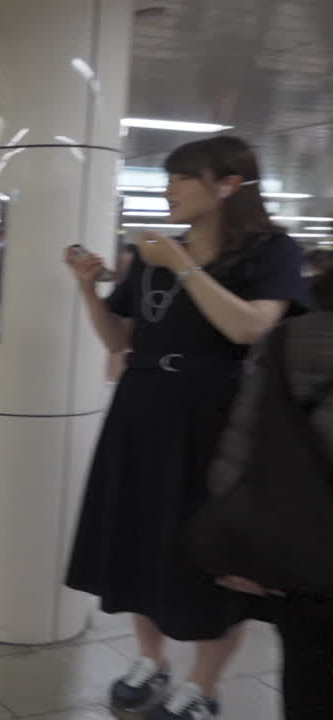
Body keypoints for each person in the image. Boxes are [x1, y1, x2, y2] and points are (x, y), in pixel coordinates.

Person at [64, 136, 304, 720]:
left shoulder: (269, 252)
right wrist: (87, 290)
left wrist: (185, 266)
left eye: (180, 178)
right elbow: (120, 341)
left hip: (217, 420)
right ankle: (152, 659)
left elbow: (250, 328)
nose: (168, 189)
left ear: (227, 185)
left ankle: (204, 684)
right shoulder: (154, 256)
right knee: (140, 536)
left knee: (210, 553)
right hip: (142, 410)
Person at [205, 266, 333, 720]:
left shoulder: (291, 339)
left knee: (310, 685)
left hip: (308, 563)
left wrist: (243, 547)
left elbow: (242, 448)